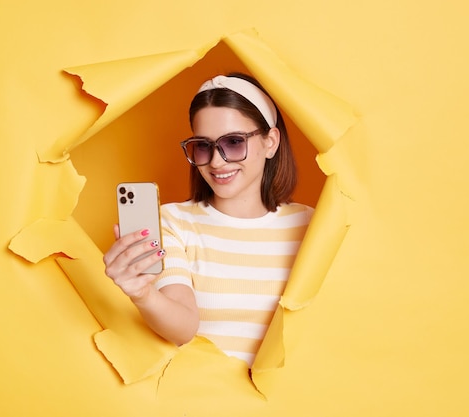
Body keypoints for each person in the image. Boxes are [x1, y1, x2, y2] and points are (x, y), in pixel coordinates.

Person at [103, 73, 314, 367]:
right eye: (203, 145)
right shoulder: (172, 222)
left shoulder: (311, 227)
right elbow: (184, 326)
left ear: (270, 142)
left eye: (234, 142)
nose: (216, 161)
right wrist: (142, 294)